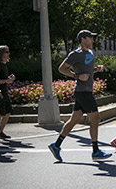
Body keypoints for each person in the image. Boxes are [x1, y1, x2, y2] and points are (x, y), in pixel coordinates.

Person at [48, 30, 112, 162]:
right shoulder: (76, 54)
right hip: (83, 92)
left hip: (85, 90)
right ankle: (95, 151)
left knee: (74, 120)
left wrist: (96, 69)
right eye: (90, 38)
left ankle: (56, 145)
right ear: (83, 39)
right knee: (96, 119)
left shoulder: (89, 52)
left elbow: (86, 70)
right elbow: (61, 68)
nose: (93, 40)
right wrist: (77, 76)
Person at [0, 45, 15, 139]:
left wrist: (9, 79)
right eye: (6, 52)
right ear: (1, 53)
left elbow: (3, 79)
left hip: (4, 91)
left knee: (8, 111)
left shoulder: (4, 65)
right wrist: (7, 80)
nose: (8, 54)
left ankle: (0, 132)